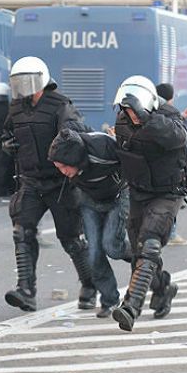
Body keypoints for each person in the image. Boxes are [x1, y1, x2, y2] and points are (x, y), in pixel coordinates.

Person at [1, 56, 95, 312]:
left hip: (60, 182)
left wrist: (68, 140)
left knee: (71, 239)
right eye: (18, 82)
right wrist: (7, 144)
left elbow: (77, 133)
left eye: (27, 81)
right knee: (22, 231)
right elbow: (6, 134)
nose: (23, 86)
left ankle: (89, 284)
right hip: (30, 180)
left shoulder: (59, 105)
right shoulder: (15, 108)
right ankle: (26, 289)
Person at [111, 75, 187, 331]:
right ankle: (162, 287)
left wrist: (149, 120)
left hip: (168, 191)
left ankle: (131, 306)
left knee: (150, 243)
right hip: (139, 190)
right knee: (139, 253)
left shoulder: (167, 116)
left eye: (135, 111)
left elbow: (180, 137)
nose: (130, 116)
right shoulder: (122, 120)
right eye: (127, 111)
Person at [48, 128, 133, 318]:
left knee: (112, 246)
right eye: (58, 168)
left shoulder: (103, 148)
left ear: (74, 158)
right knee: (94, 253)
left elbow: (132, 162)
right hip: (89, 201)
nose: (63, 172)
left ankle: (143, 259)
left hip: (118, 196)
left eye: (64, 167)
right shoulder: (66, 165)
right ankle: (109, 300)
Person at [156, 83, 187, 246]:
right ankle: (170, 234)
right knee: (170, 201)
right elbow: (180, 134)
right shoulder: (169, 113)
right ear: (171, 98)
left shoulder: (151, 111)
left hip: (156, 166)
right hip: (170, 166)